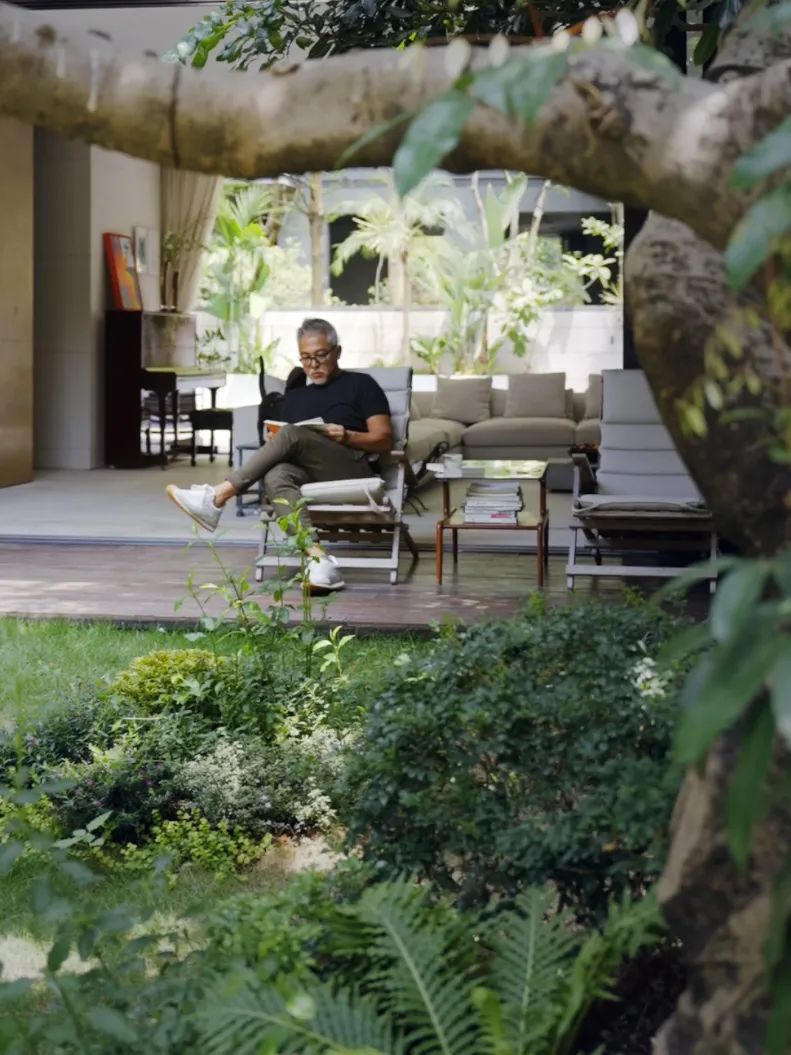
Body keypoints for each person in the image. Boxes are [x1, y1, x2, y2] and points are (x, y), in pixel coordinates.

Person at [166, 318, 393, 591]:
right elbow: (290, 441)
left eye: (320, 355)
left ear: (337, 352)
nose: (312, 365)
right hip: (310, 473)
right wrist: (275, 440)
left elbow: (384, 439)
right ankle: (320, 561)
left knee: (291, 435)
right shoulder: (296, 397)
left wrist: (347, 436)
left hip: (351, 468)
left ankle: (216, 497)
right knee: (276, 474)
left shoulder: (361, 385)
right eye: (305, 357)